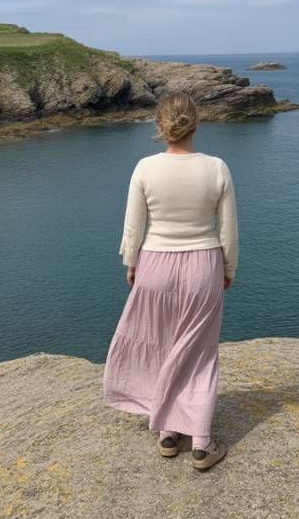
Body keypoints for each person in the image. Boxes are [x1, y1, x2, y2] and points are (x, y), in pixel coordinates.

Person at [103, 92, 238, 471]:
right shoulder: (217, 167)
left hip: (155, 264)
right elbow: (228, 230)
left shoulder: (145, 167)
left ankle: (166, 432)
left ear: (160, 127)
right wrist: (228, 269)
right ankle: (201, 442)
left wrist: (132, 263)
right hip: (203, 263)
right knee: (199, 350)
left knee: (162, 343)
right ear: (196, 123)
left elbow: (134, 227)